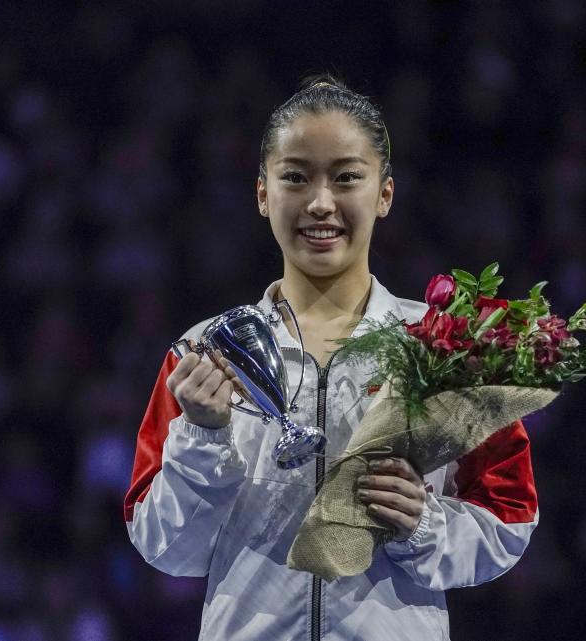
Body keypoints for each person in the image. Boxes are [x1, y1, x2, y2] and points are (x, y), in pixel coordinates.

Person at [124, 76, 540, 641]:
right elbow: (166, 550)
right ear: (263, 193)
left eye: (346, 177)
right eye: (295, 177)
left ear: (385, 193)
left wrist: (423, 525)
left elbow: (508, 519)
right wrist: (203, 438)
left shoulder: (446, 349)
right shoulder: (203, 355)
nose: (321, 203)